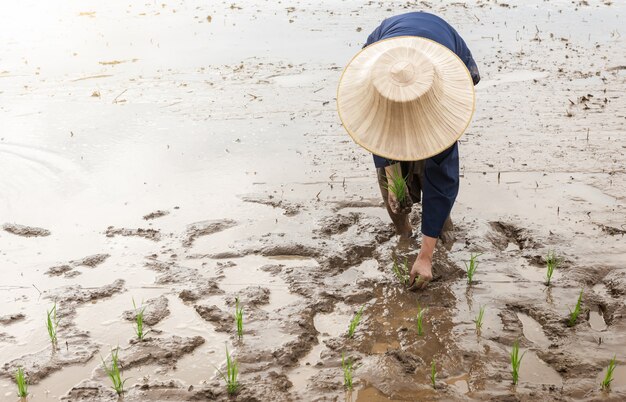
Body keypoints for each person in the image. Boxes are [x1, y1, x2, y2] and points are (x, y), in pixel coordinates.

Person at [336, 12, 480, 290]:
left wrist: (425, 257)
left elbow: (443, 182)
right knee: (393, 179)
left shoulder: (444, 102)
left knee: (435, 165)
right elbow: (379, 136)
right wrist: (393, 182)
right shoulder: (377, 83)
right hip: (386, 52)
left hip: (446, 58)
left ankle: (438, 230)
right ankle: (403, 232)